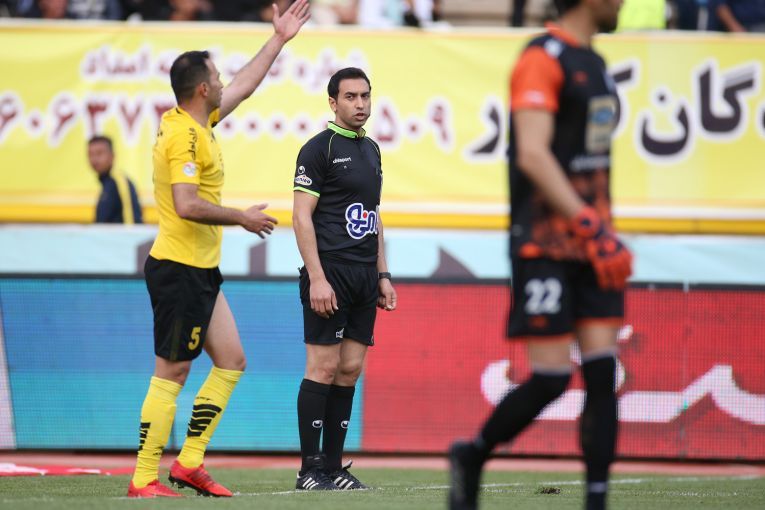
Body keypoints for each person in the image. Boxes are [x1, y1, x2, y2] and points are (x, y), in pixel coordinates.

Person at [448, 0, 632, 509]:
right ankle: (473, 454)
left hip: (594, 246)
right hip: (545, 244)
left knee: (602, 374)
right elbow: (532, 153)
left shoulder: (595, 61)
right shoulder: (541, 58)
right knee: (552, 378)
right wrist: (590, 225)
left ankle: (597, 500)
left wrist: (600, 233)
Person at [126, 0, 310, 498]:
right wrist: (241, 217)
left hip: (200, 269)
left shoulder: (198, 123)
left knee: (231, 360)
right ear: (203, 89)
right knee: (173, 371)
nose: (224, 80)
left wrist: (278, 39)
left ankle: (188, 463)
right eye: (217, 75)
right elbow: (186, 204)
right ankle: (143, 478)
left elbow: (244, 85)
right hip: (178, 268)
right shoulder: (183, 137)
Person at [292, 67, 397, 491]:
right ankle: (308, 469)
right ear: (333, 102)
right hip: (330, 272)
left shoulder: (371, 150)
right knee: (322, 367)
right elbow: (301, 217)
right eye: (351, 97)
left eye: (365, 96)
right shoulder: (318, 149)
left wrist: (383, 274)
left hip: (363, 277)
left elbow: (374, 217)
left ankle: (334, 467)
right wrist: (317, 278)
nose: (360, 104)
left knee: (349, 370)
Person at [87, 135, 143, 224]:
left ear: (112, 156)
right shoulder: (106, 183)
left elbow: (131, 219)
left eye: (99, 153)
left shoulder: (120, 182)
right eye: (91, 154)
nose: (95, 159)